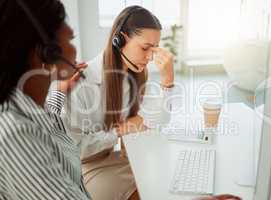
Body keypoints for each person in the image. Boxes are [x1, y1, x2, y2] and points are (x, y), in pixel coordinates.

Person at [47, 5, 174, 200]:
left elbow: (158, 120)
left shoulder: (137, 74)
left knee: (166, 182)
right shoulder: (82, 81)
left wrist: (168, 82)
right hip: (84, 169)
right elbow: (75, 149)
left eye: (154, 49)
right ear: (119, 39)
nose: (149, 57)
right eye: (144, 48)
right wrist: (120, 130)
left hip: (117, 159)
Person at [0, 0, 90, 199]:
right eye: (70, 39)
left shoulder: (33, 105)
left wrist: (61, 91)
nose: (75, 51)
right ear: (46, 51)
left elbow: (48, 122)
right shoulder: (16, 134)